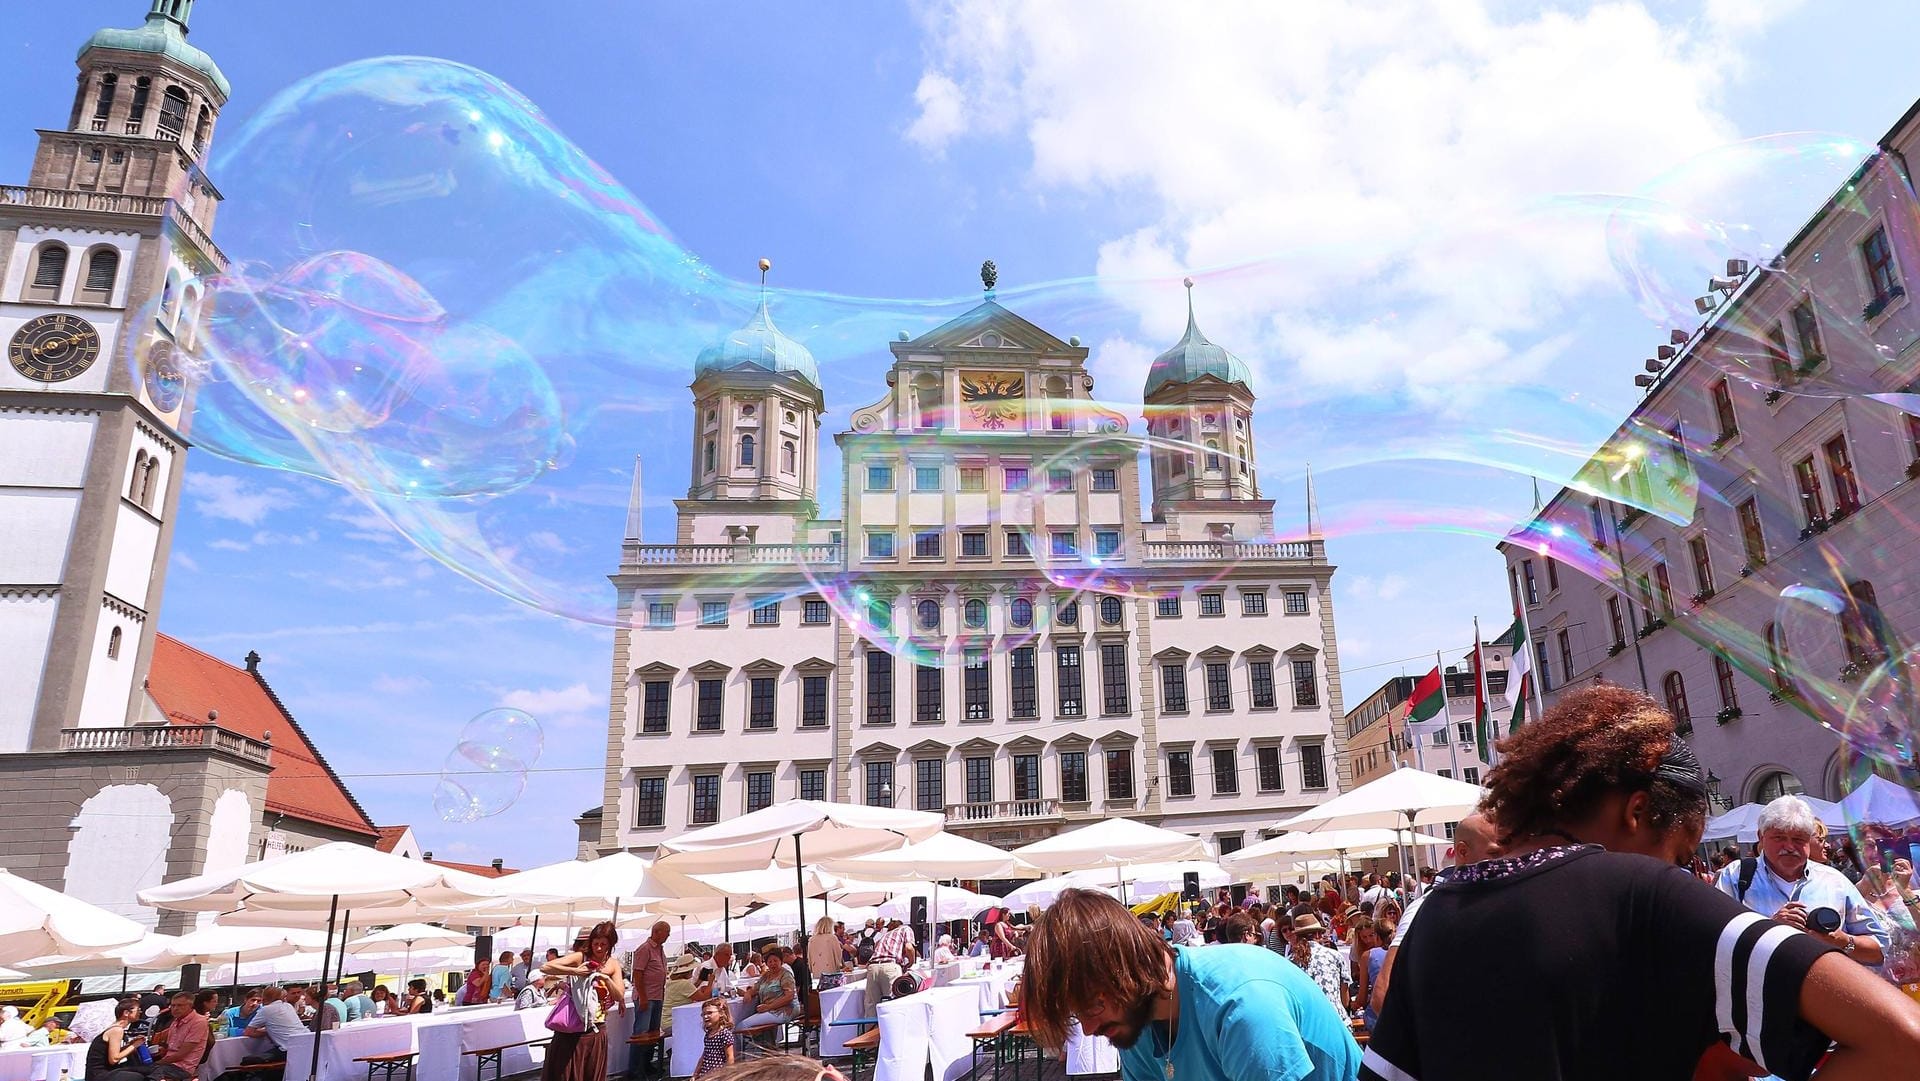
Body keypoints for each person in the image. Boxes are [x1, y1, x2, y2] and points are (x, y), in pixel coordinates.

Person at [1362, 683, 1920, 1081]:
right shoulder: (1645, 893)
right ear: (1635, 812)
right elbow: (1906, 1041)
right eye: (1678, 854)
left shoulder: (1440, 910)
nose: (1679, 871)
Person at [1022, 889, 1359, 1081]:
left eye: (1093, 1005)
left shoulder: (1240, 1003)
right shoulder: (1134, 1020)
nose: (1089, 1027)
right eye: (1076, 1013)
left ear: (1127, 969)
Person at [1712, 794, 1889, 967]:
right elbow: (1712, 941)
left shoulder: (1834, 881)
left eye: (1798, 839)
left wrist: (1842, 941)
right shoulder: (1735, 877)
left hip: (1825, 991)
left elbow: (1879, 950)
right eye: (1779, 837)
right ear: (1761, 836)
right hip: (1760, 992)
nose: (1789, 847)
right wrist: (1769, 930)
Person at [541, 921, 626, 1081]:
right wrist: (576, 971)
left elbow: (619, 995)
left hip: (595, 1029)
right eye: (596, 943)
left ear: (611, 944)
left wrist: (606, 979)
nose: (599, 948)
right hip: (571, 1029)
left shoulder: (613, 964)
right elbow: (545, 967)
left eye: (603, 944)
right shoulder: (581, 957)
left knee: (590, 1075)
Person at [1284, 913, 1347, 1015]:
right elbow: (1345, 999)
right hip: (1337, 1020)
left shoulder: (1289, 962)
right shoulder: (1335, 956)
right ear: (1318, 934)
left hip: (1308, 1023)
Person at [88, 998, 152, 1081]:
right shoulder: (117, 1030)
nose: (140, 1012)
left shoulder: (115, 1028)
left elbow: (110, 1053)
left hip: (101, 1072)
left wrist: (130, 1045)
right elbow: (114, 1059)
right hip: (99, 1074)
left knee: (144, 1070)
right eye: (138, 1010)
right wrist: (135, 1045)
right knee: (140, 1077)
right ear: (126, 1013)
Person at [149, 991, 208, 1081]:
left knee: (148, 1073)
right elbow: (170, 1048)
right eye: (173, 1005)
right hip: (167, 1064)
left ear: (190, 1006)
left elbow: (180, 1055)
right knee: (127, 1070)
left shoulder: (199, 1022)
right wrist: (161, 1050)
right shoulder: (175, 1021)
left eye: (180, 1005)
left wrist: (156, 1063)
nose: (175, 1009)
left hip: (182, 1068)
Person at [738, 946, 797, 1033]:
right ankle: (761, 1044)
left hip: (785, 1010)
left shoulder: (786, 975)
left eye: (775, 961)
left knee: (742, 1026)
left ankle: (740, 1046)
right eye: (770, 961)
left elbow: (789, 997)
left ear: (781, 961)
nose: (773, 963)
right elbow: (755, 988)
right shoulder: (766, 975)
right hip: (769, 1009)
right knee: (745, 1024)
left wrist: (769, 1007)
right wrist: (748, 993)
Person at [865, 919, 913, 1006]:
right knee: (893, 1003)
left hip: (873, 966)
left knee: (871, 1004)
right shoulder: (905, 928)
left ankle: (870, 1019)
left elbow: (875, 947)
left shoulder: (885, 935)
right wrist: (911, 962)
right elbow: (909, 947)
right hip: (890, 965)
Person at [693, 998, 734, 1077]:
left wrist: (729, 1075)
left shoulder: (724, 1034)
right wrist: (695, 1074)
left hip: (718, 1073)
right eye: (703, 1014)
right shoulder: (708, 1034)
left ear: (721, 1013)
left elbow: (730, 1057)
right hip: (706, 1073)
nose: (705, 1016)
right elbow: (704, 1055)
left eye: (709, 1013)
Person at [807, 916, 843, 990]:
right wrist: (839, 965)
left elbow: (809, 957)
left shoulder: (811, 939)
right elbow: (838, 955)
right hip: (831, 974)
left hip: (816, 973)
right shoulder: (832, 938)